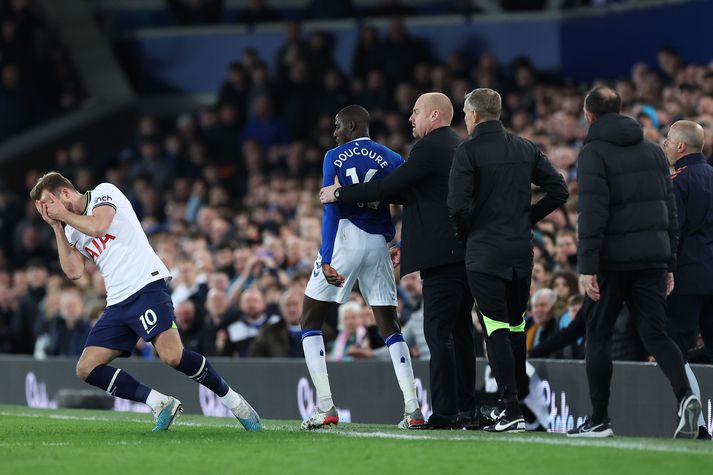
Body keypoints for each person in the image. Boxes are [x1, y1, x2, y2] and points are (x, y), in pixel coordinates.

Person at [30, 172, 261, 432]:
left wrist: (63, 215)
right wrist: (57, 227)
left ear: (64, 192)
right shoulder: (70, 227)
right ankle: (159, 403)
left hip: (145, 286)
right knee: (86, 367)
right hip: (117, 302)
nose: (47, 210)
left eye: (47, 202)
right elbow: (73, 271)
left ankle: (235, 402)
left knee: (173, 356)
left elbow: (98, 226)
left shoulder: (103, 193)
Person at [321, 93, 477, 430]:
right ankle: (468, 409)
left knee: (438, 333)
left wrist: (340, 193)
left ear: (434, 115)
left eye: (416, 112)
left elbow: (391, 187)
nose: (410, 118)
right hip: (463, 252)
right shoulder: (457, 147)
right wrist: (406, 242)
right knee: (462, 331)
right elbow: (415, 198)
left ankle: (447, 412)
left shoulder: (430, 148)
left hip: (442, 258)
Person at [572, 87, 700, 439]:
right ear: (620, 109)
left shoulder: (593, 153)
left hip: (612, 262)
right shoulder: (654, 151)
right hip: (652, 260)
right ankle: (686, 396)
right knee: (656, 335)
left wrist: (587, 267)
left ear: (589, 115)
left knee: (598, 334)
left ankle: (599, 420)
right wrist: (669, 262)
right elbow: (670, 211)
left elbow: (592, 214)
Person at [448, 87, 568, 432]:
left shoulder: (467, 152)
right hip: (519, 251)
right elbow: (558, 190)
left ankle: (511, 408)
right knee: (516, 325)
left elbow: (456, 207)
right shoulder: (526, 147)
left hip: (485, 251)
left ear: (472, 115)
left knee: (496, 327)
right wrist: (526, 218)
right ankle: (515, 403)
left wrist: (467, 235)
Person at [301, 105, 425, 430]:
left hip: (345, 236)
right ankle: (413, 408)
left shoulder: (334, 156)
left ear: (352, 125)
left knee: (309, 319)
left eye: (338, 126)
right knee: (389, 325)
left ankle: (326, 406)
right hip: (378, 244)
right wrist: (397, 241)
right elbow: (409, 201)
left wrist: (327, 256)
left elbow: (331, 207)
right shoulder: (393, 158)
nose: (335, 133)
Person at [662, 119, 713, 440]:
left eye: (668, 140)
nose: (664, 144)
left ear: (681, 146)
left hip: (686, 278)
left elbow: (673, 233)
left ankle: (695, 418)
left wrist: (665, 270)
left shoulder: (677, 181)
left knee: (675, 348)